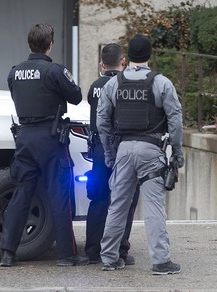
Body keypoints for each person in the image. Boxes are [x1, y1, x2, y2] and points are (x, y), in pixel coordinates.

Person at [1, 23, 89, 267]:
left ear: (30, 44)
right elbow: (76, 96)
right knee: (59, 196)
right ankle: (66, 255)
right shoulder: (54, 71)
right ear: (50, 44)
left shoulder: (15, 72)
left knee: (21, 195)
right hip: (50, 139)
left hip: (25, 139)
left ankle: (7, 253)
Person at [97, 33, 184, 275]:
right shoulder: (161, 83)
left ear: (128, 57)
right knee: (154, 207)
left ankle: (110, 258)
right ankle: (160, 262)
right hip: (151, 150)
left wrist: (109, 153)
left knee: (118, 205)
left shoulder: (113, 84)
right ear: (149, 55)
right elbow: (175, 121)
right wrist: (177, 153)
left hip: (123, 149)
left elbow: (102, 120)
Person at [85, 43, 139, 265]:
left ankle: (93, 250)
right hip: (122, 147)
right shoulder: (126, 85)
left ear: (101, 64)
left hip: (99, 148)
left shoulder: (95, 86)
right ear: (123, 62)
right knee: (125, 199)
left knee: (98, 197)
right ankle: (120, 250)